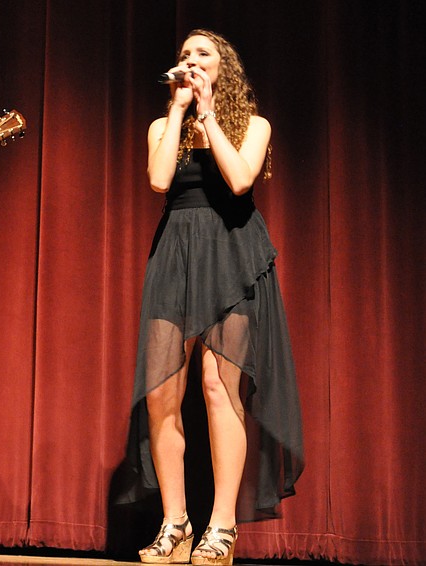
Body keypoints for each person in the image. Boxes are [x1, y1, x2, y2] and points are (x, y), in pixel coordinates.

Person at [129, 30, 304, 565]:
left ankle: (221, 527)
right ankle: (175, 523)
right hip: (175, 257)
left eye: (202, 54)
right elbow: (160, 181)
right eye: (184, 55)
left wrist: (208, 113)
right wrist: (181, 110)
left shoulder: (253, 124)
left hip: (231, 253)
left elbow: (240, 179)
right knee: (162, 392)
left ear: (224, 66)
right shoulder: (165, 126)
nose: (190, 61)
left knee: (216, 385)